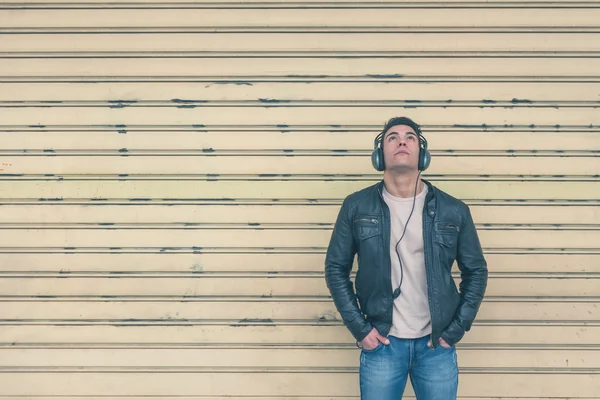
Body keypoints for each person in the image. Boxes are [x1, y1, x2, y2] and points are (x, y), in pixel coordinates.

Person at [324, 116, 488, 399]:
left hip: (436, 346)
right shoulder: (356, 205)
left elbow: (476, 271)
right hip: (382, 343)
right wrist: (360, 329)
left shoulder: (454, 210)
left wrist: (454, 331)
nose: (401, 141)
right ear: (380, 155)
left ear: (422, 154)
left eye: (410, 137)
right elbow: (335, 269)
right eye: (392, 137)